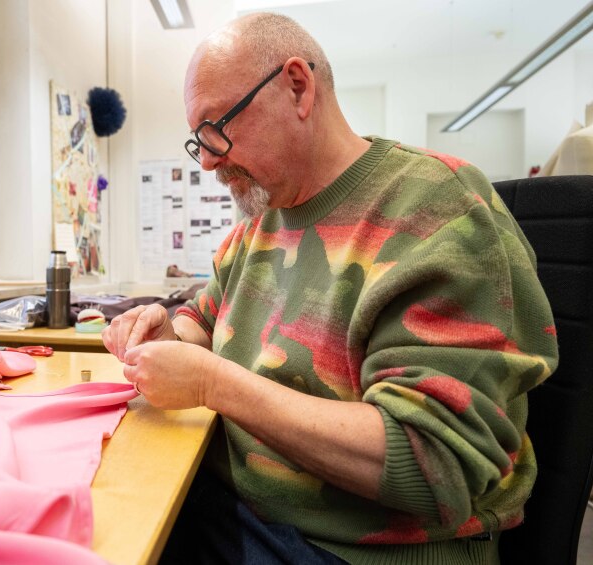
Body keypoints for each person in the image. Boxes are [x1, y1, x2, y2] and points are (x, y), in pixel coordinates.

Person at [102, 12, 558, 565]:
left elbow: (431, 463)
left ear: (297, 86)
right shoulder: (257, 224)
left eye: (219, 127)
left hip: (350, 547)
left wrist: (212, 385)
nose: (212, 160)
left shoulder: (439, 210)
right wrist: (165, 328)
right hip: (239, 508)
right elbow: (202, 321)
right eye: (200, 141)